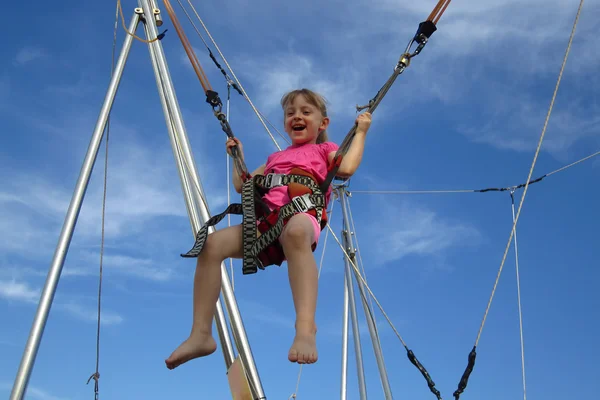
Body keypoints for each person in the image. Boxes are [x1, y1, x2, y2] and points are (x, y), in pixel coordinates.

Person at [165, 88, 372, 369]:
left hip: (301, 216)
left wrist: (361, 132)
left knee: (296, 232)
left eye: (305, 112)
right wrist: (237, 156)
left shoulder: (325, 149)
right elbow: (243, 185)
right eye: (290, 113)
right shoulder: (275, 158)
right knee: (211, 245)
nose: (296, 116)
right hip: (267, 225)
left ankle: (305, 328)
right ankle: (201, 334)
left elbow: (346, 167)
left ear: (322, 123)